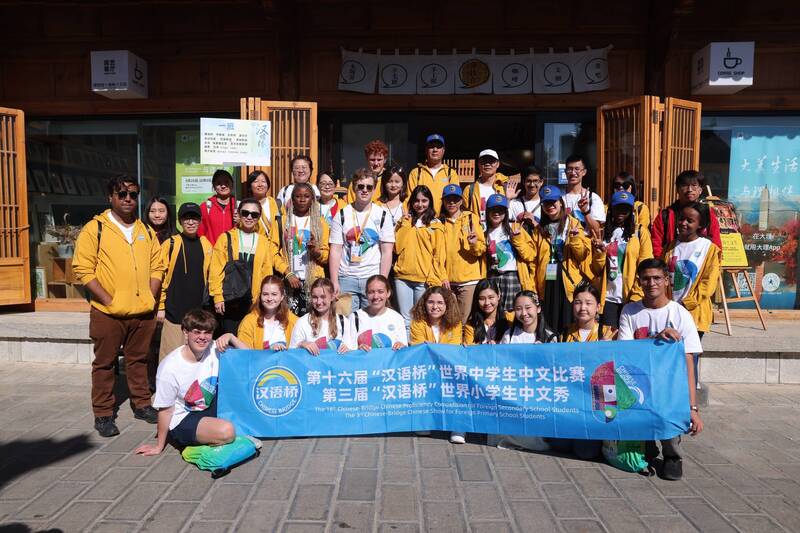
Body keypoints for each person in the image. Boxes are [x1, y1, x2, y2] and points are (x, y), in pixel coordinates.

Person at [73, 175, 165, 437]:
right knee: (105, 364)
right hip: (108, 313)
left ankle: (142, 404)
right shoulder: (95, 229)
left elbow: (158, 266)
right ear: (110, 197)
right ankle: (103, 413)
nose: (128, 199)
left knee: (139, 360)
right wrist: (107, 299)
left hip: (142, 311)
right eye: (121, 194)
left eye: (133, 194)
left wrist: (150, 295)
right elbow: (83, 269)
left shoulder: (145, 230)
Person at [617, 258, 704, 481]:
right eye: (646, 279)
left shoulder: (680, 314)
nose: (651, 283)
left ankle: (672, 456)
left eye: (657, 278)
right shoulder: (629, 311)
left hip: (669, 385)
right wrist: (656, 338)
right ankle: (646, 447)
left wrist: (692, 407)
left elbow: (689, 364)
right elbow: (625, 353)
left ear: (666, 280)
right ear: (639, 281)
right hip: (639, 382)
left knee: (669, 414)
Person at [134, 310, 235, 455]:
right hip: (183, 417)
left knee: (238, 393)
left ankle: (210, 434)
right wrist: (159, 446)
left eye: (207, 332)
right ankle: (195, 441)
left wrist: (231, 337)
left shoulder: (214, 348)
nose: (202, 337)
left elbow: (249, 360)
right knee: (227, 431)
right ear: (186, 333)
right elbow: (166, 410)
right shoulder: (169, 367)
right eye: (197, 332)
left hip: (207, 407)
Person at [488, 290, 556, 451]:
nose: (524, 313)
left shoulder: (549, 337)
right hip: (514, 391)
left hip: (537, 395)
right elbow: (501, 366)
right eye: (518, 309)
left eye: (528, 307)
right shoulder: (510, 335)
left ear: (538, 308)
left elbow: (554, 372)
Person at [550, 283, 610, 459]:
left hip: (596, 404)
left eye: (589, 303)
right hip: (571, 403)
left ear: (598, 307)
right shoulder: (563, 334)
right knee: (559, 445)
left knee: (585, 452)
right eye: (578, 302)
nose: (583, 307)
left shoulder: (608, 333)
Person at [209, 198, 279, 335]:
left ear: (259, 217)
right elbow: (215, 270)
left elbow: (266, 272)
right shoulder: (226, 238)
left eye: (254, 214)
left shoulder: (264, 242)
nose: (249, 217)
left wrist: (264, 299)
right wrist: (217, 297)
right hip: (230, 301)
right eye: (245, 213)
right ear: (239, 214)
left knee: (250, 339)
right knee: (230, 339)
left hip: (253, 303)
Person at [329, 169, 395, 312]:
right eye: (360, 186)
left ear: (374, 189)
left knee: (371, 321)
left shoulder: (383, 215)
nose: (365, 190)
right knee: (345, 321)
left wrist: (382, 281)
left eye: (369, 187)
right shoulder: (341, 215)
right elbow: (335, 250)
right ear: (354, 188)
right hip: (346, 277)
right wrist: (334, 281)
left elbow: (387, 252)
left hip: (372, 277)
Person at [529, 186, 592, 334]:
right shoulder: (539, 229)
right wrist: (533, 287)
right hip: (547, 281)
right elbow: (533, 260)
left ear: (561, 202)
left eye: (553, 202)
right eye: (546, 203)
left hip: (567, 281)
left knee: (568, 324)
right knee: (549, 325)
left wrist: (575, 239)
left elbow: (581, 255)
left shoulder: (573, 224)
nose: (550, 206)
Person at [157, 203, 213, 361]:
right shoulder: (170, 244)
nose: (190, 222)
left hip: (197, 317)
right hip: (173, 314)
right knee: (170, 359)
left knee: (195, 361)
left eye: (194, 218)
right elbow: (160, 277)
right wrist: (160, 307)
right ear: (180, 221)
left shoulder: (206, 245)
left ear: (200, 221)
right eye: (186, 218)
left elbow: (211, 277)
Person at [590, 190, 653, 330]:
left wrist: (636, 294)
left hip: (632, 296)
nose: (621, 212)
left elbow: (646, 266)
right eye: (618, 208)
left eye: (625, 209)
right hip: (608, 297)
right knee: (609, 337)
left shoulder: (640, 232)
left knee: (631, 337)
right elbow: (597, 270)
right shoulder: (603, 233)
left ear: (631, 211)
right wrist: (600, 253)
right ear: (611, 209)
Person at [409, 286, 463, 443]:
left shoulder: (455, 324)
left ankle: (458, 426)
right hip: (426, 368)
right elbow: (418, 349)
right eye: (431, 302)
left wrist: (431, 348)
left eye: (440, 303)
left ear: (447, 305)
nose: (435, 306)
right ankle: (425, 420)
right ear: (424, 303)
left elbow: (453, 350)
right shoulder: (417, 322)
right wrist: (434, 350)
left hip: (449, 368)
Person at [663, 202, 721, 340]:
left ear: (700, 225)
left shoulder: (709, 249)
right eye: (681, 219)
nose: (683, 223)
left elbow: (708, 283)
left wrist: (688, 303)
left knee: (689, 352)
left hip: (694, 313)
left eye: (690, 221)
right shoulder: (670, 246)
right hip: (670, 312)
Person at [393, 185, 446, 331]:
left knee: (421, 319)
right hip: (402, 277)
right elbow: (397, 247)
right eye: (416, 201)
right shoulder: (405, 221)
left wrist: (438, 277)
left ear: (430, 202)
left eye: (424, 200)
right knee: (405, 319)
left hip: (423, 279)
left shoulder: (436, 225)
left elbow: (438, 254)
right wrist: (404, 223)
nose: (420, 204)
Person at [274, 183, 330, 316]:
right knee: (289, 322)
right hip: (289, 281)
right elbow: (273, 253)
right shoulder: (282, 222)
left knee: (314, 321)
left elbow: (327, 255)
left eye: (306, 196)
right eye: (298, 196)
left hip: (313, 282)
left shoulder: (321, 223)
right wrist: (287, 272)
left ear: (313, 199)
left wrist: (316, 252)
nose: (302, 199)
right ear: (292, 199)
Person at [440, 184, 486, 324]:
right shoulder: (439, 222)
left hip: (469, 280)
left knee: (465, 321)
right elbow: (436, 254)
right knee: (449, 321)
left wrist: (473, 244)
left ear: (461, 201)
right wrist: (442, 276)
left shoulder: (471, 218)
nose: (452, 203)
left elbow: (481, 249)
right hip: (447, 281)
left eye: (455, 199)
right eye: (448, 199)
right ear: (443, 201)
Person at [651, 170, 722, 259]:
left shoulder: (707, 213)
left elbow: (716, 243)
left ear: (700, 190)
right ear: (677, 189)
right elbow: (656, 244)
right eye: (685, 185)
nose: (689, 190)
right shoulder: (665, 215)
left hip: (700, 263)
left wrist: (712, 262)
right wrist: (662, 263)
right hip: (671, 264)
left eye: (694, 185)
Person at [484, 194, 537, 312]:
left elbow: (530, 255)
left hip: (512, 276)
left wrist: (517, 240)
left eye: (500, 210)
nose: (497, 213)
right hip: (492, 277)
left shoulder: (515, 227)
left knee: (512, 312)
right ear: (487, 211)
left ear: (506, 212)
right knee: (494, 312)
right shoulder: (485, 233)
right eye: (493, 209)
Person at [217, 275, 298, 350]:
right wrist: (231, 337)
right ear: (260, 296)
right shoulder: (249, 321)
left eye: (274, 294)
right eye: (265, 294)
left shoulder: (293, 321)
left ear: (282, 297)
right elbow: (246, 354)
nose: (269, 298)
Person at [289, 278, 350, 354]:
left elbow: (352, 351)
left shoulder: (343, 321)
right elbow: (292, 353)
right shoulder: (302, 322)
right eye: (315, 297)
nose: (318, 302)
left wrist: (347, 348)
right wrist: (302, 344)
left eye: (323, 297)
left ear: (332, 297)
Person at [346, 275, 407, 351]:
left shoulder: (397, 318)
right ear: (366, 294)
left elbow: (404, 350)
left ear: (388, 293)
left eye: (380, 292)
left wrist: (401, 346)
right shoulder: (355, 317)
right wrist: (358, 349)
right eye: (371, 292)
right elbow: (348, 350)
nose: (375, 296)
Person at [405, 134, 459, 214]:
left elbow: (455, 199)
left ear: (443, 151)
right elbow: (409, 199)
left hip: (443, 219)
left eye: (438, 147)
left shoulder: (451, 173)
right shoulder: (416, 173)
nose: (435, 150)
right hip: (421, 218)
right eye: (431, 147)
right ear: (426, 150)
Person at [462, 149, 515, 229]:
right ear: (478, 164)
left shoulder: (506, 187)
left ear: (498, 164)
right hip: (477, 234)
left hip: (500, 234)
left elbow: (512, 215)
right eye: (483, 161)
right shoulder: (469, 189)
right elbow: (464, 215)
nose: (487, 164)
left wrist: (508, 200)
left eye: (491, 161)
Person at [561, 155, 605, 235]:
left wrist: (585, 212)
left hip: (584, 242)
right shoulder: (559, 197)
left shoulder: (593, 198)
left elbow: (596, 230)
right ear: (565, 172)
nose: (573, 173)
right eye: (569, 169)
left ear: (584, 172)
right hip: (563, 242)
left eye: (577, 169)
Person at [463, 279, 513, 345]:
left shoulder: (510, 319)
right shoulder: (471, 325)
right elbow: (470, 349)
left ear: (498, 296)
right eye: (482, 299)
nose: (487, 303)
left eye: (491, 297)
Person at [198, 169, 237, 245]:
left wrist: (240, 223)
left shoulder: (239, 206)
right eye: (219, 183)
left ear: (232, 184)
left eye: (226, 182)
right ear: (214, 186)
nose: (223, 186)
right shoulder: (205, 207)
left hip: (234, 251)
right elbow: (200, 233)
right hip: (212, 251)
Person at [245, 170, 281, 250]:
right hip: (256, 249)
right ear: (250, 186)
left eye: (263, 181)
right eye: (256, 181)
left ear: (268, 185)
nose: (260, 184)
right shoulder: (246, 207)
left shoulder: (277, 204)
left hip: (277, 250)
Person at [509, 166, 544, 232]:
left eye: (535, 181)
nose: (532, 185)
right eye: (528, 181)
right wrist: (508, 199)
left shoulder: (546, 204)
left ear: (541, 182)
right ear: (523, 182)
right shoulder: (514, 203)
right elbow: (501, 220)